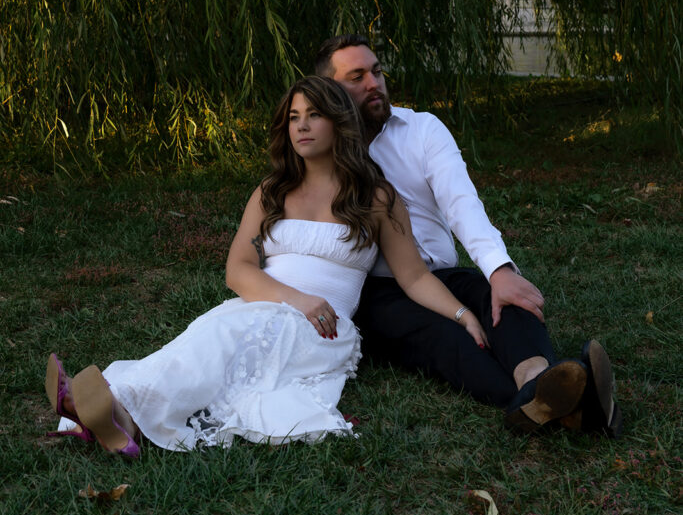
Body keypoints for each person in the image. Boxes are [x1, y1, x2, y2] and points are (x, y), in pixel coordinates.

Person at [46, 76, 501, 456]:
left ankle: (117, 411)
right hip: (267, 303)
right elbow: (238, 270)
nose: (301, 127)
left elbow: (415, 277)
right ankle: (121, 413)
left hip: (322, 328)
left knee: (225, 343)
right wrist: (296, 299)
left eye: (314, 115)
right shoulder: (272, 191)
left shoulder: (377, 197)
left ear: (339, 122)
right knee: (206, 339)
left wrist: (462, 315)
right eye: (293, 118)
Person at [315, 34, 622, 436]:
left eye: (376, 71)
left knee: (501, 302)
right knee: (446, 337)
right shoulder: (322, 153)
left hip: (441, 276)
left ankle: (540, 379)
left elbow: (461, 202)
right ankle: (567, 404)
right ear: (329, 90)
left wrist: (498, 270)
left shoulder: (422, 129)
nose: (374, 83)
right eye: (357, 77)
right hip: (379, 290)